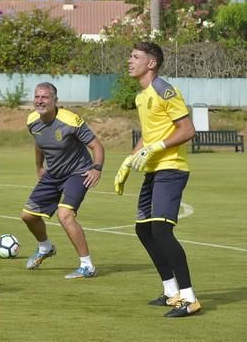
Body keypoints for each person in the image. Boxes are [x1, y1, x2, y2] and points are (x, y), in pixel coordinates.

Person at [114, 41, 199, 318]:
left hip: (171, 168)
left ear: (151, 63)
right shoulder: (141, 96)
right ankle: (171, 292)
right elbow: (149, 135)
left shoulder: (164, 89)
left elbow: (187, 129)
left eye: (135, 56)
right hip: (153, 170)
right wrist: (129, 159)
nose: (129, 60)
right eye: (130, 55)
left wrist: (158, 147)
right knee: (144, 230)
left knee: (162, 231)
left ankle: (189, 298)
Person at [21, 82, 105, 279]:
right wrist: (39, 167)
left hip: (78, 173)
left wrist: (97, 168)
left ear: (55, 101)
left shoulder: (71, 121)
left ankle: (87, 266)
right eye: (37, 97)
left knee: (64, 214)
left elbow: (97, 146)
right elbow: (39, 144)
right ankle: (45, 247)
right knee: (28, 216)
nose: (40, 101)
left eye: (45, 97)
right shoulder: (32, 120)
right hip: (53, 174)